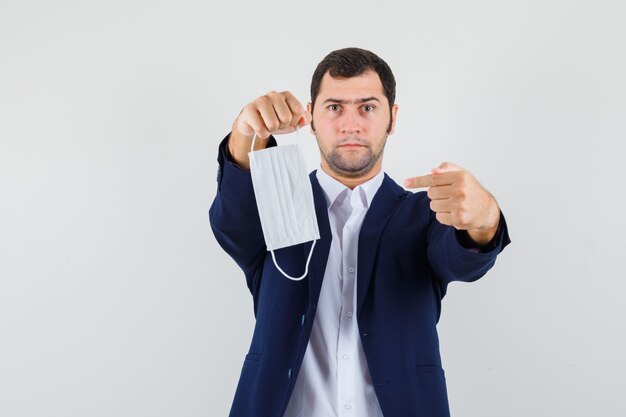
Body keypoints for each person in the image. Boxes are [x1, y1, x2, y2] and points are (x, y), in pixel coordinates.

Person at [209, 47, 510, 417]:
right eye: (334, 107)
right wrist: (245, 132)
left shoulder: (424, 215)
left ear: (392, 118)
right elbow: (232, 221)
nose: (350, 124)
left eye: (367, 107)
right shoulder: (279, 209)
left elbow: (463, 258)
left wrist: (483, 218)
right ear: (312, 117)